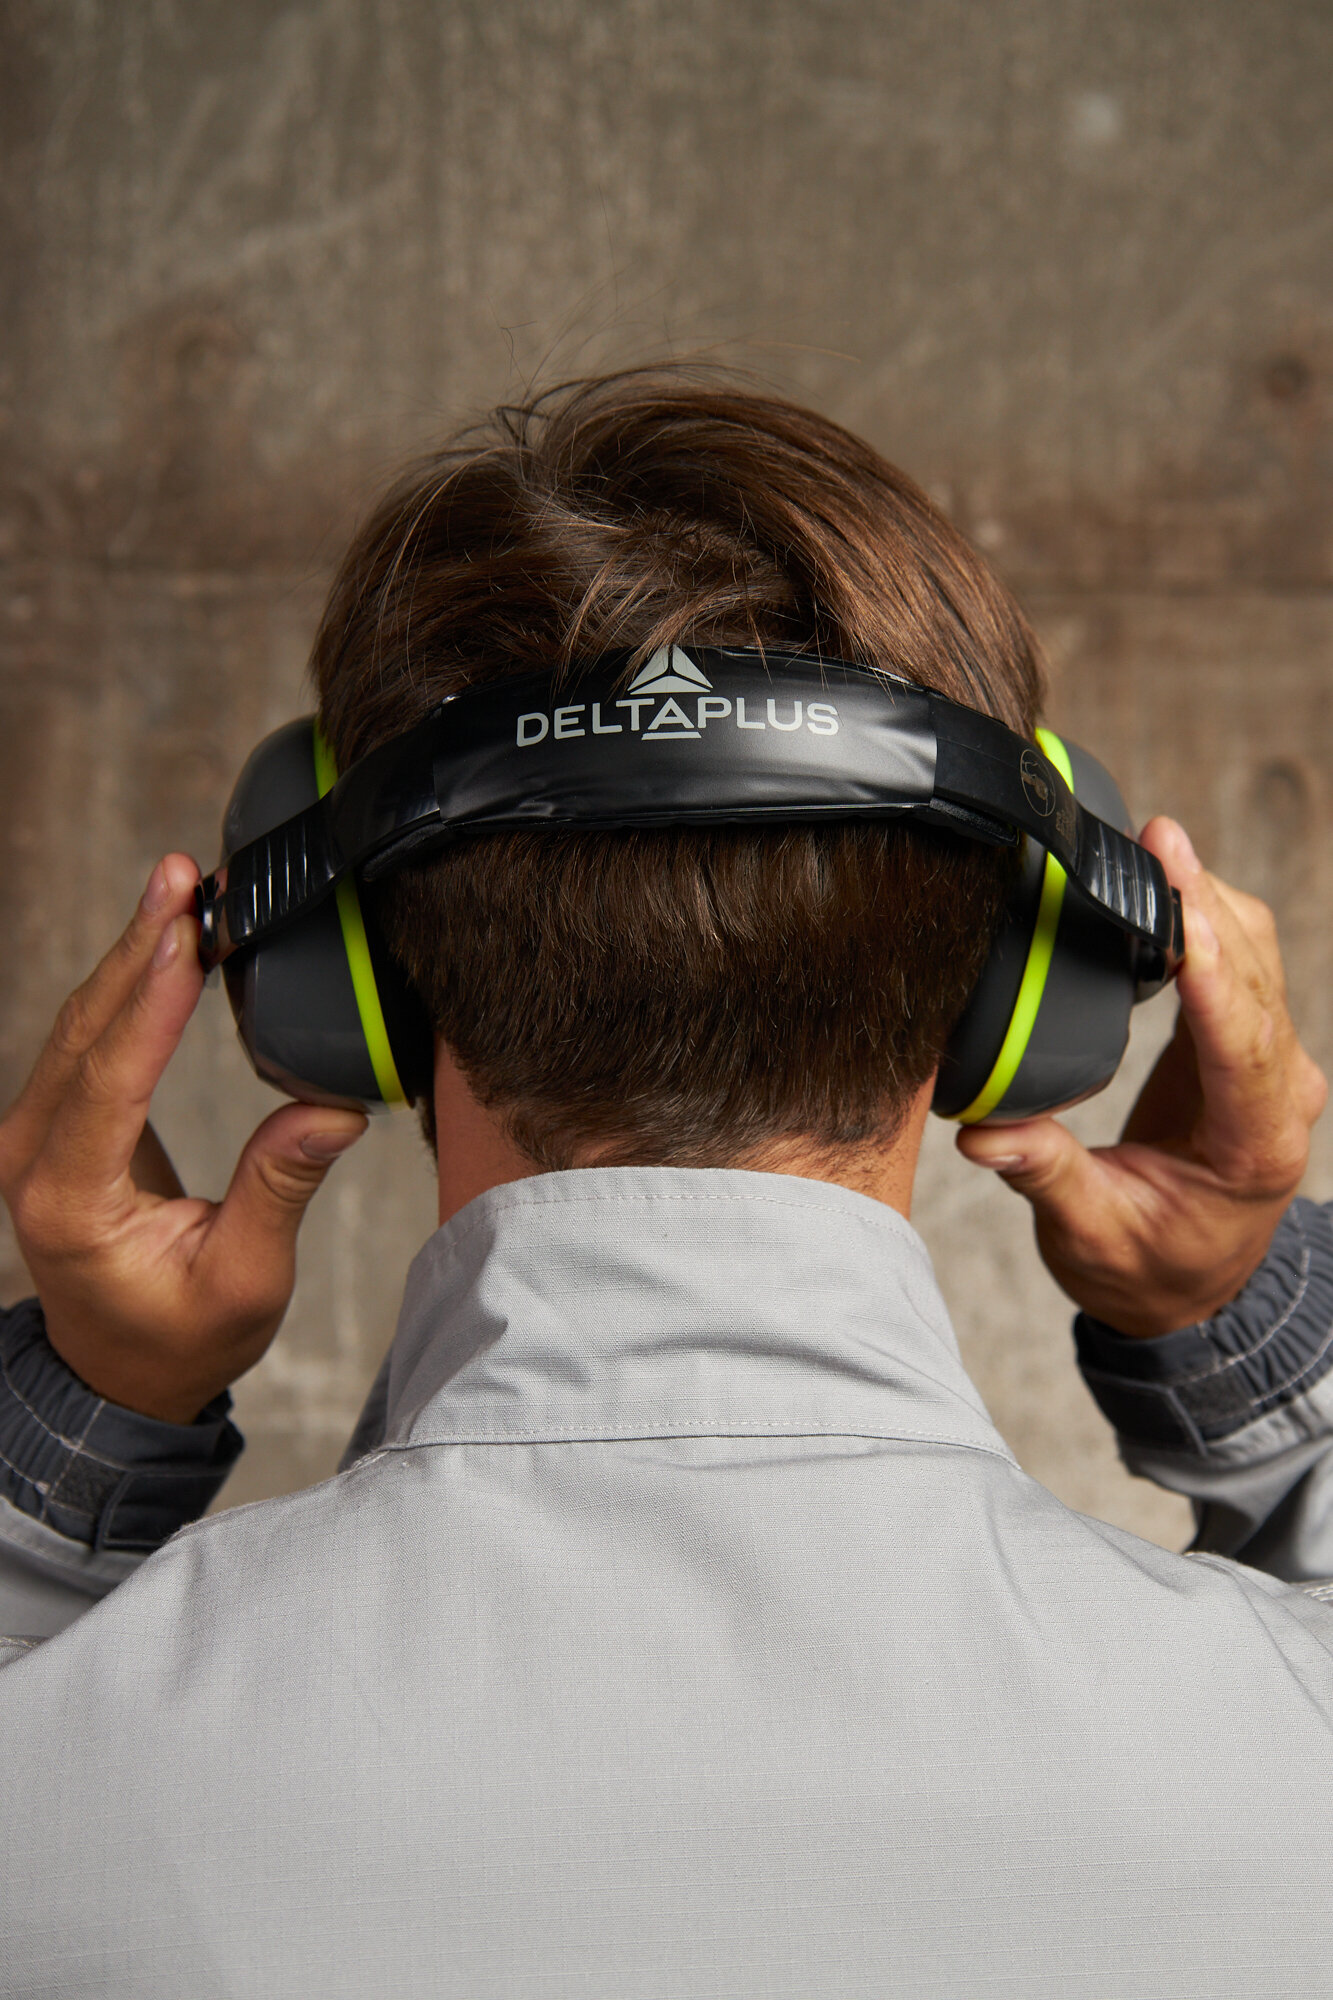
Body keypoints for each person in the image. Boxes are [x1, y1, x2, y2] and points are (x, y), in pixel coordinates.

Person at [1, 372, 1330, 2000]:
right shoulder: (1292, 1770)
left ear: (338, 983)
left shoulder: (49, 1787)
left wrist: (94, 1410)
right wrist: (1233, 1317)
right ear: (1018, 988)